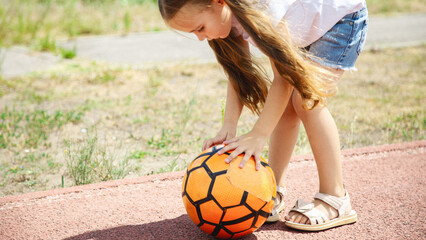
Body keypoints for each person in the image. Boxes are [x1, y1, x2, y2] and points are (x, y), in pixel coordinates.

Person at [158, 0, 368, 231]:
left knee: (305, 100)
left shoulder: (263, 9)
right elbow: (238, 72)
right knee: (286, 107)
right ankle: (270, 189)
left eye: (200, 28)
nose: (200, 38)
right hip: (306, 26)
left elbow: (283, 78)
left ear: (219, 2)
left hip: (340, 19)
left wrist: (259, 134)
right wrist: (229, 126)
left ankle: (336, 198)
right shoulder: (228, 17)